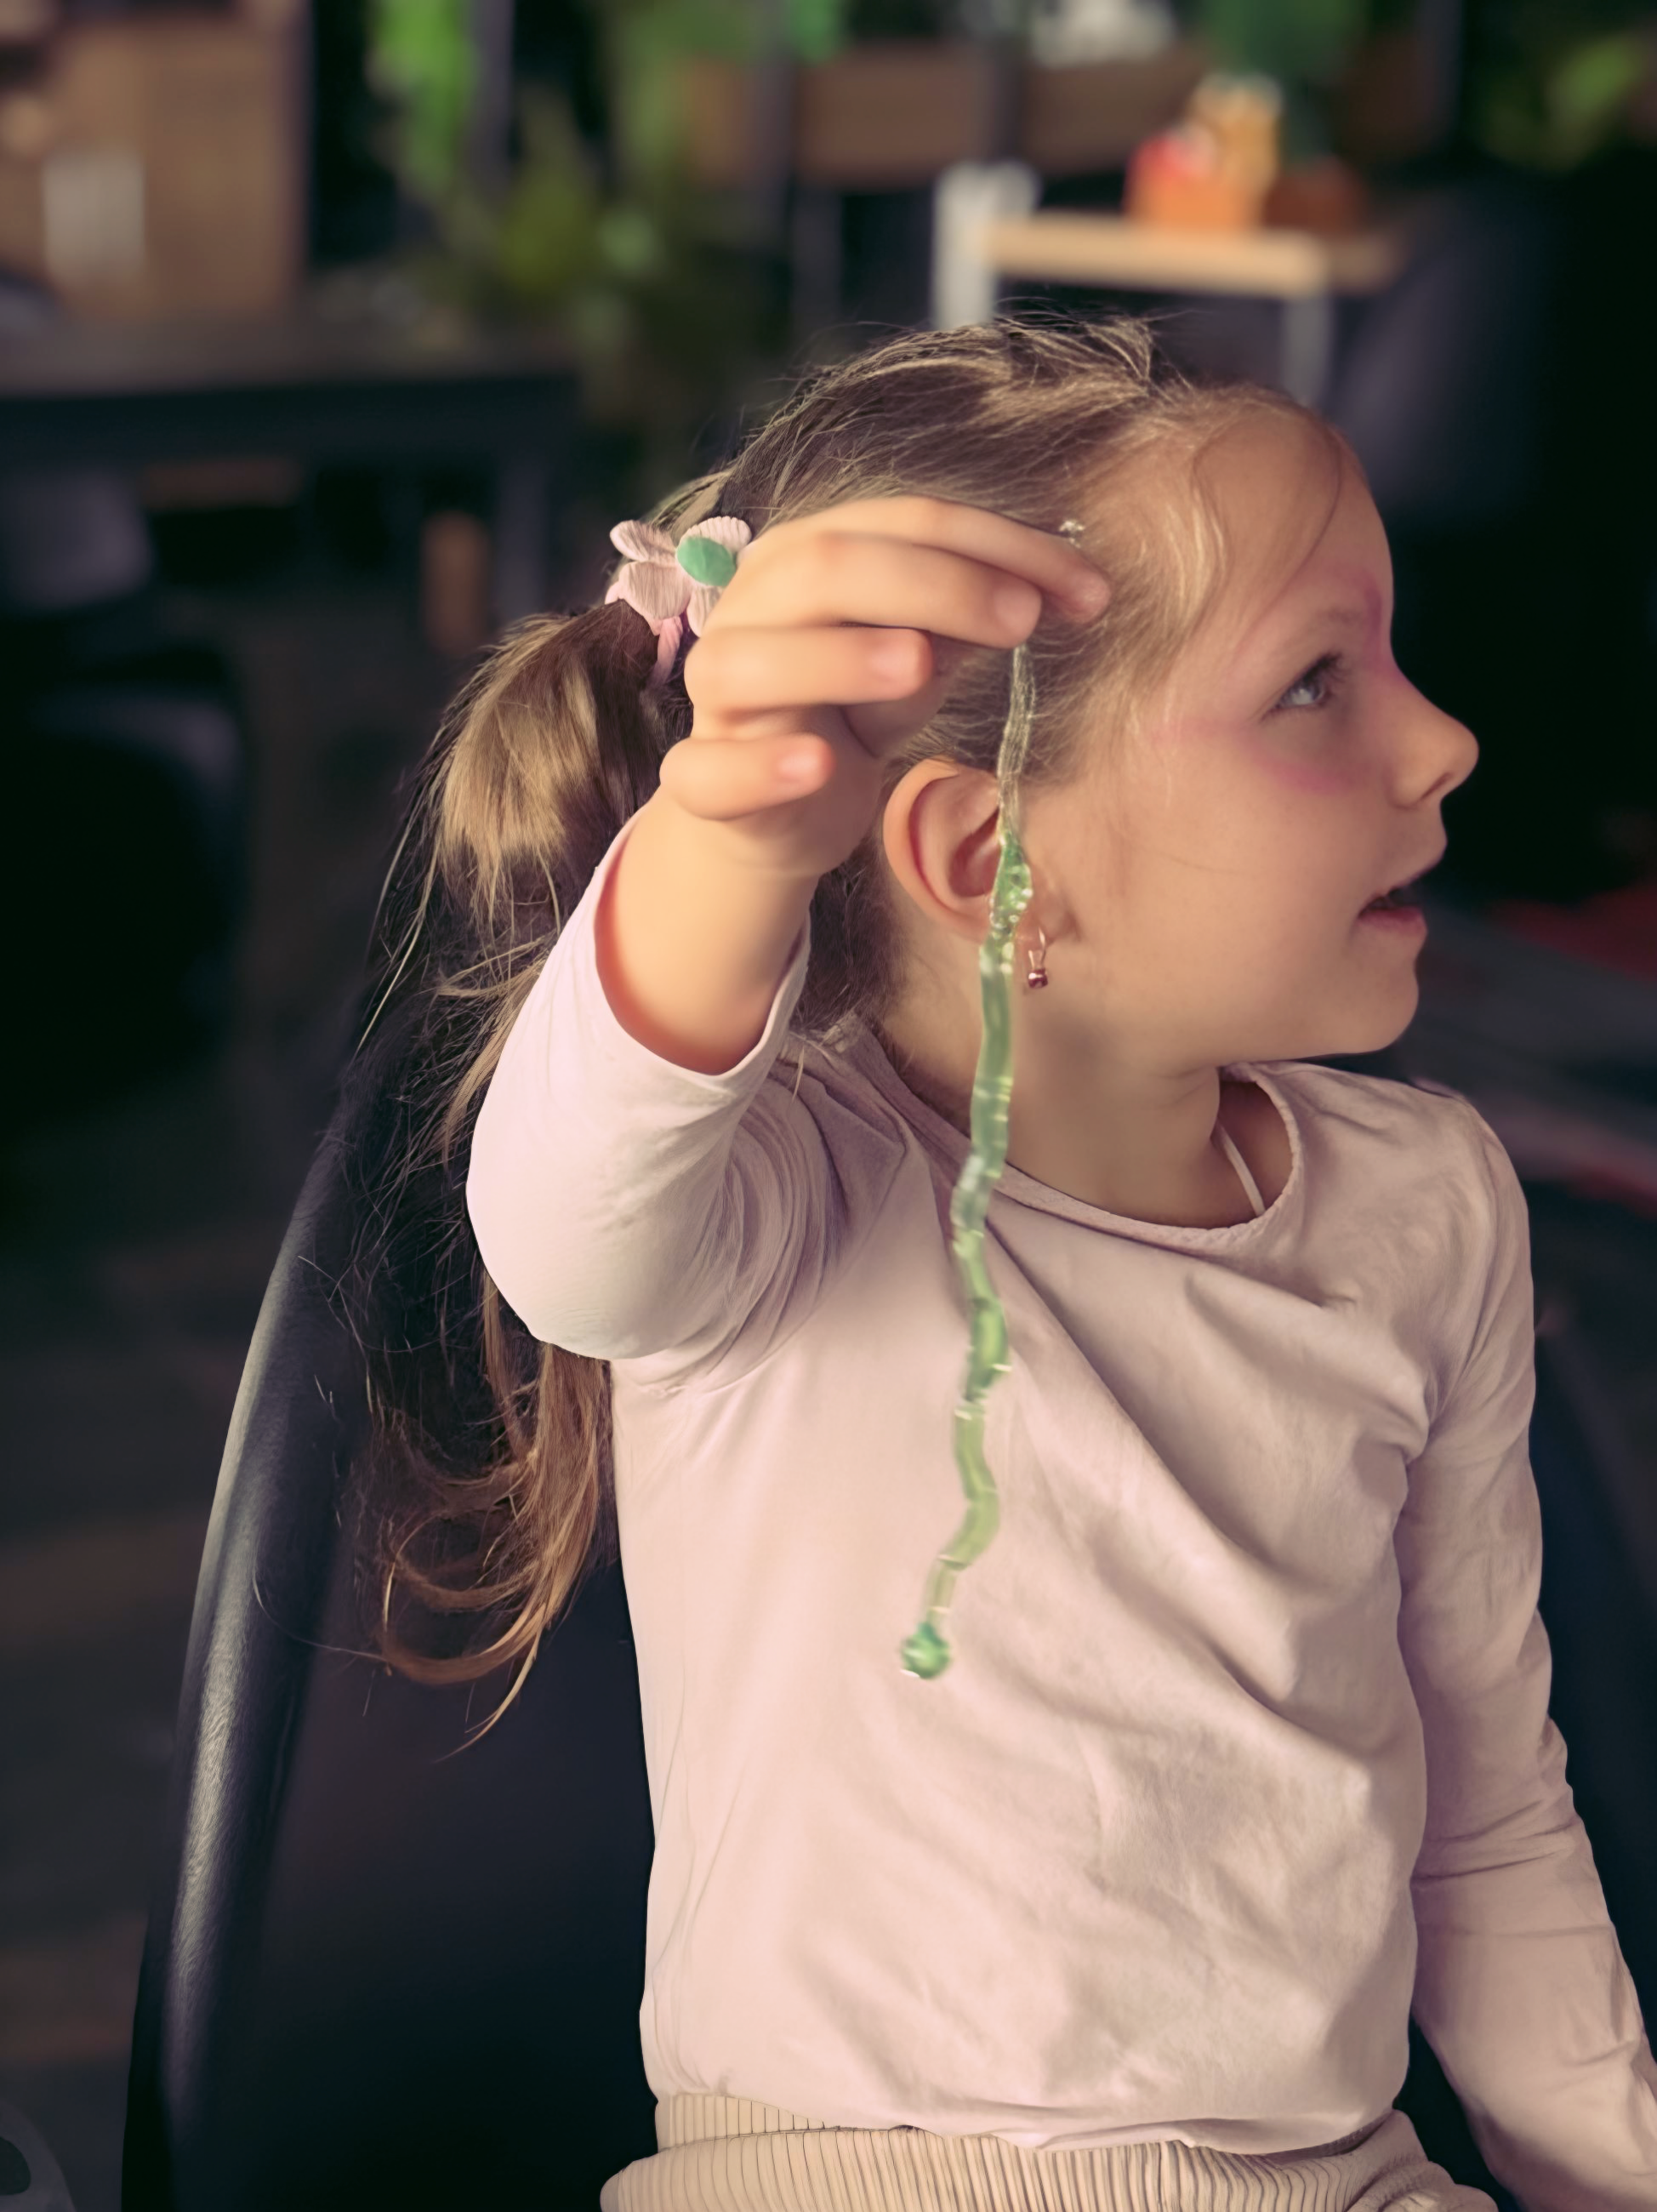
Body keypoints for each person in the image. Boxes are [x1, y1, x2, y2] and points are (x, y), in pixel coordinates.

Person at [353, 318, 1657, 2210]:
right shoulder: (787, 1192)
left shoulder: (1427, 1203)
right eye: (1314, 684)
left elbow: (1481, 1816)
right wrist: (724, 837)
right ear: (988, 864)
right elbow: (565, 1228)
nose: (1440, 737)